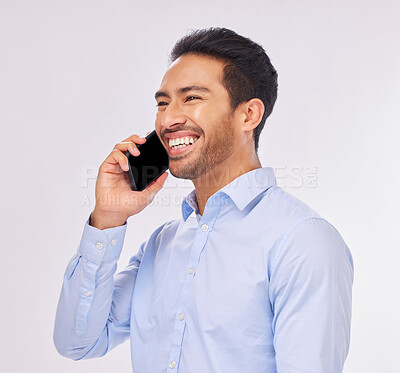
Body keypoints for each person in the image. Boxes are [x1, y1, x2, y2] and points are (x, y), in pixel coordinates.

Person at [53, 27, 354, 373]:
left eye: (191, 98)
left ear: (248, 115)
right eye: (163, 103)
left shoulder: (303, 241)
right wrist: (107, 218)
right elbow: (77, 343)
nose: (168, 119)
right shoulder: (161, 245)